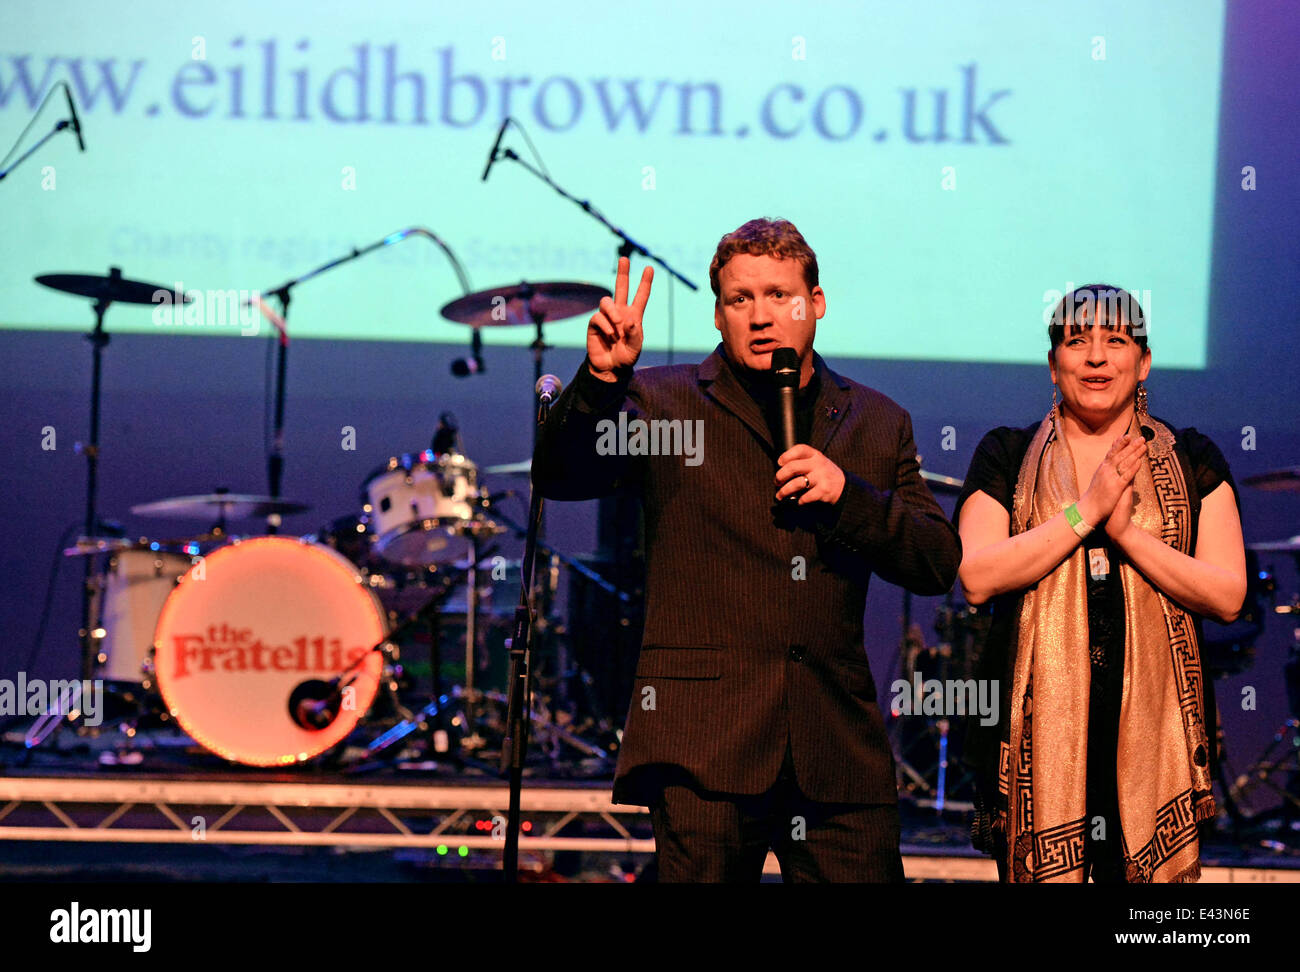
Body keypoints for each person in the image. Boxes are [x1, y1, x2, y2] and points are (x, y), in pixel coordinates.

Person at [532, 218, 960, 882]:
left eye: (780, 295)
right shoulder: (660, 403)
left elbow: (936, 562)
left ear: (815, 303)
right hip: (705, 747)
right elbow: (560, 478)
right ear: (718, 315)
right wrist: (597, 382)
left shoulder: (877, 421)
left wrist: (849, 495)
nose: (761, 316)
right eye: (740, 299)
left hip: (835, 751)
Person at [954, 285, 1246, 883]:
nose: (1095, 358)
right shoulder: (1005, 454)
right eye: (1076, 341)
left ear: (1142, 363)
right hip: (1034, 741)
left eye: (1115, 342)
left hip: (1153, 744)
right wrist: (1083, 513)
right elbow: (977, 578)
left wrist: (1130, 535)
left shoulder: (1193, 458)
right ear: (1054, 364)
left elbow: (1227, 594)